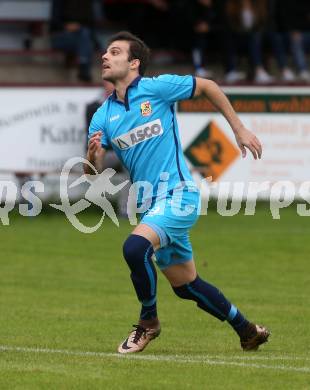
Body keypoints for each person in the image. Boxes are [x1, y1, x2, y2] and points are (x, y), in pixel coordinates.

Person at [84, 31, 269, 354]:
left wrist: (238, 128)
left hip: (179, 196)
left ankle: (148, 324)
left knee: (134, 247)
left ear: (134, 63)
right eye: (105, 52)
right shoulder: (103, 115)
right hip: (149, 206)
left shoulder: (156, 88)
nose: (105, 56)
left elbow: (208, 86)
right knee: (187, 286)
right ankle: (247, 330)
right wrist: (93, 158)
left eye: (114, 52)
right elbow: (92, 173)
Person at [49, 0, 96, 82]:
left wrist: (78, 27)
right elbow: (54, 23)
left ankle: (83, 62)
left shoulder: (86, 3)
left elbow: (91, 23)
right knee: (85, 36)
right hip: (62, 35)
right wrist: (66, 27)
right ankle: (83, 63)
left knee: (84, 33)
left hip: (81, 35)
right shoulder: (59, 2)